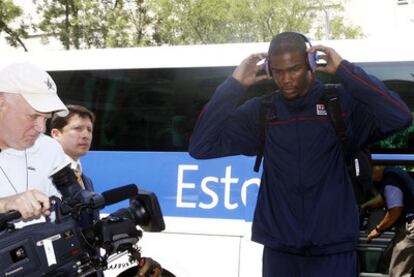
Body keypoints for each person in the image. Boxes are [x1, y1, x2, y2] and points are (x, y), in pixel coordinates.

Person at [188, 31, 412, 276]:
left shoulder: (339, 104)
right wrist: (234, 85)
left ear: (311, 65)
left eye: (294, 69)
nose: (286, 79)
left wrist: (345, 71)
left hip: (333, 251)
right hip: (280, 251)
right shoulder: (262, 111)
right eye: (278, 72)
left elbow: (399, 116)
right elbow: (201, 146)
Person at [0, 62, 68, 222]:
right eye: (33, 116)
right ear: (1, 103)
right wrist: (5, 204)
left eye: (46, 118)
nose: (41, 128)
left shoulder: (49, 148)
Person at [361, 165, 414, 277]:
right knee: (387, 258)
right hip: (406, 226)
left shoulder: (390, 180)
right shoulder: (393, 173)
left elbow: (395, 210)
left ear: (375, 168)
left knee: (398, 273)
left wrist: (378, 229)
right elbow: (383, 198)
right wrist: (364, 206)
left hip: (410, 227)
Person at [50, 104, 97, 226]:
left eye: (89, 130)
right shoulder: (45, 175)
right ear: (56, 134)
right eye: (78, 128)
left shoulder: (87, 180)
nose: (86, 135)